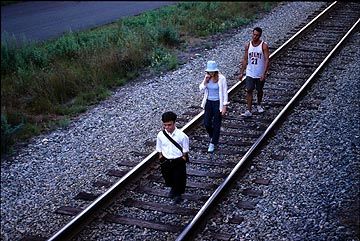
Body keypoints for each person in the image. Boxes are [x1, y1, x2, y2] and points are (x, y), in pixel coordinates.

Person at [156, 111, 189, 204]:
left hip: (178, 160)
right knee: (168, 176)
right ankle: (173, 188)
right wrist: (161, 156)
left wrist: (183, 158)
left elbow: (185, 149)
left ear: (174, 123)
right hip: (166, 160)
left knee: (179, 177)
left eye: (169, 125)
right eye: (165, 125)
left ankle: (178, 194)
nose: (167, 127)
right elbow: (159, 147)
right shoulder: (161, 135)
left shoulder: (182, 136)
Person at [239, 27, 270, 117]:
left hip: (259, 72)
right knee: (249, 89)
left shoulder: (264, 46)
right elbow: (245, 59)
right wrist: (241, 72)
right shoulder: (248, 45)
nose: (255, 36)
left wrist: (264, 73)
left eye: (257, 35)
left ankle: (259, 104)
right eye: (254, 34)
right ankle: (249, 110)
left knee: (259, 90)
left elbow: (267, 59)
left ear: (260, 36)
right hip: (250, 71)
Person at [199, 60, 229, 153]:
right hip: (208, 102)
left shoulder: (221, 78)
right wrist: (205, 81)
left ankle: (213, 142)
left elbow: (224, 92)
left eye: (212, 71)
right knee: (207, 123)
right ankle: (213, 136)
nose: (210, 73)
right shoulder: (207, 78)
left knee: (216, 123)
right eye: (209, 71)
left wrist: (224, 106)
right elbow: (201, 89)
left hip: (217, 103)